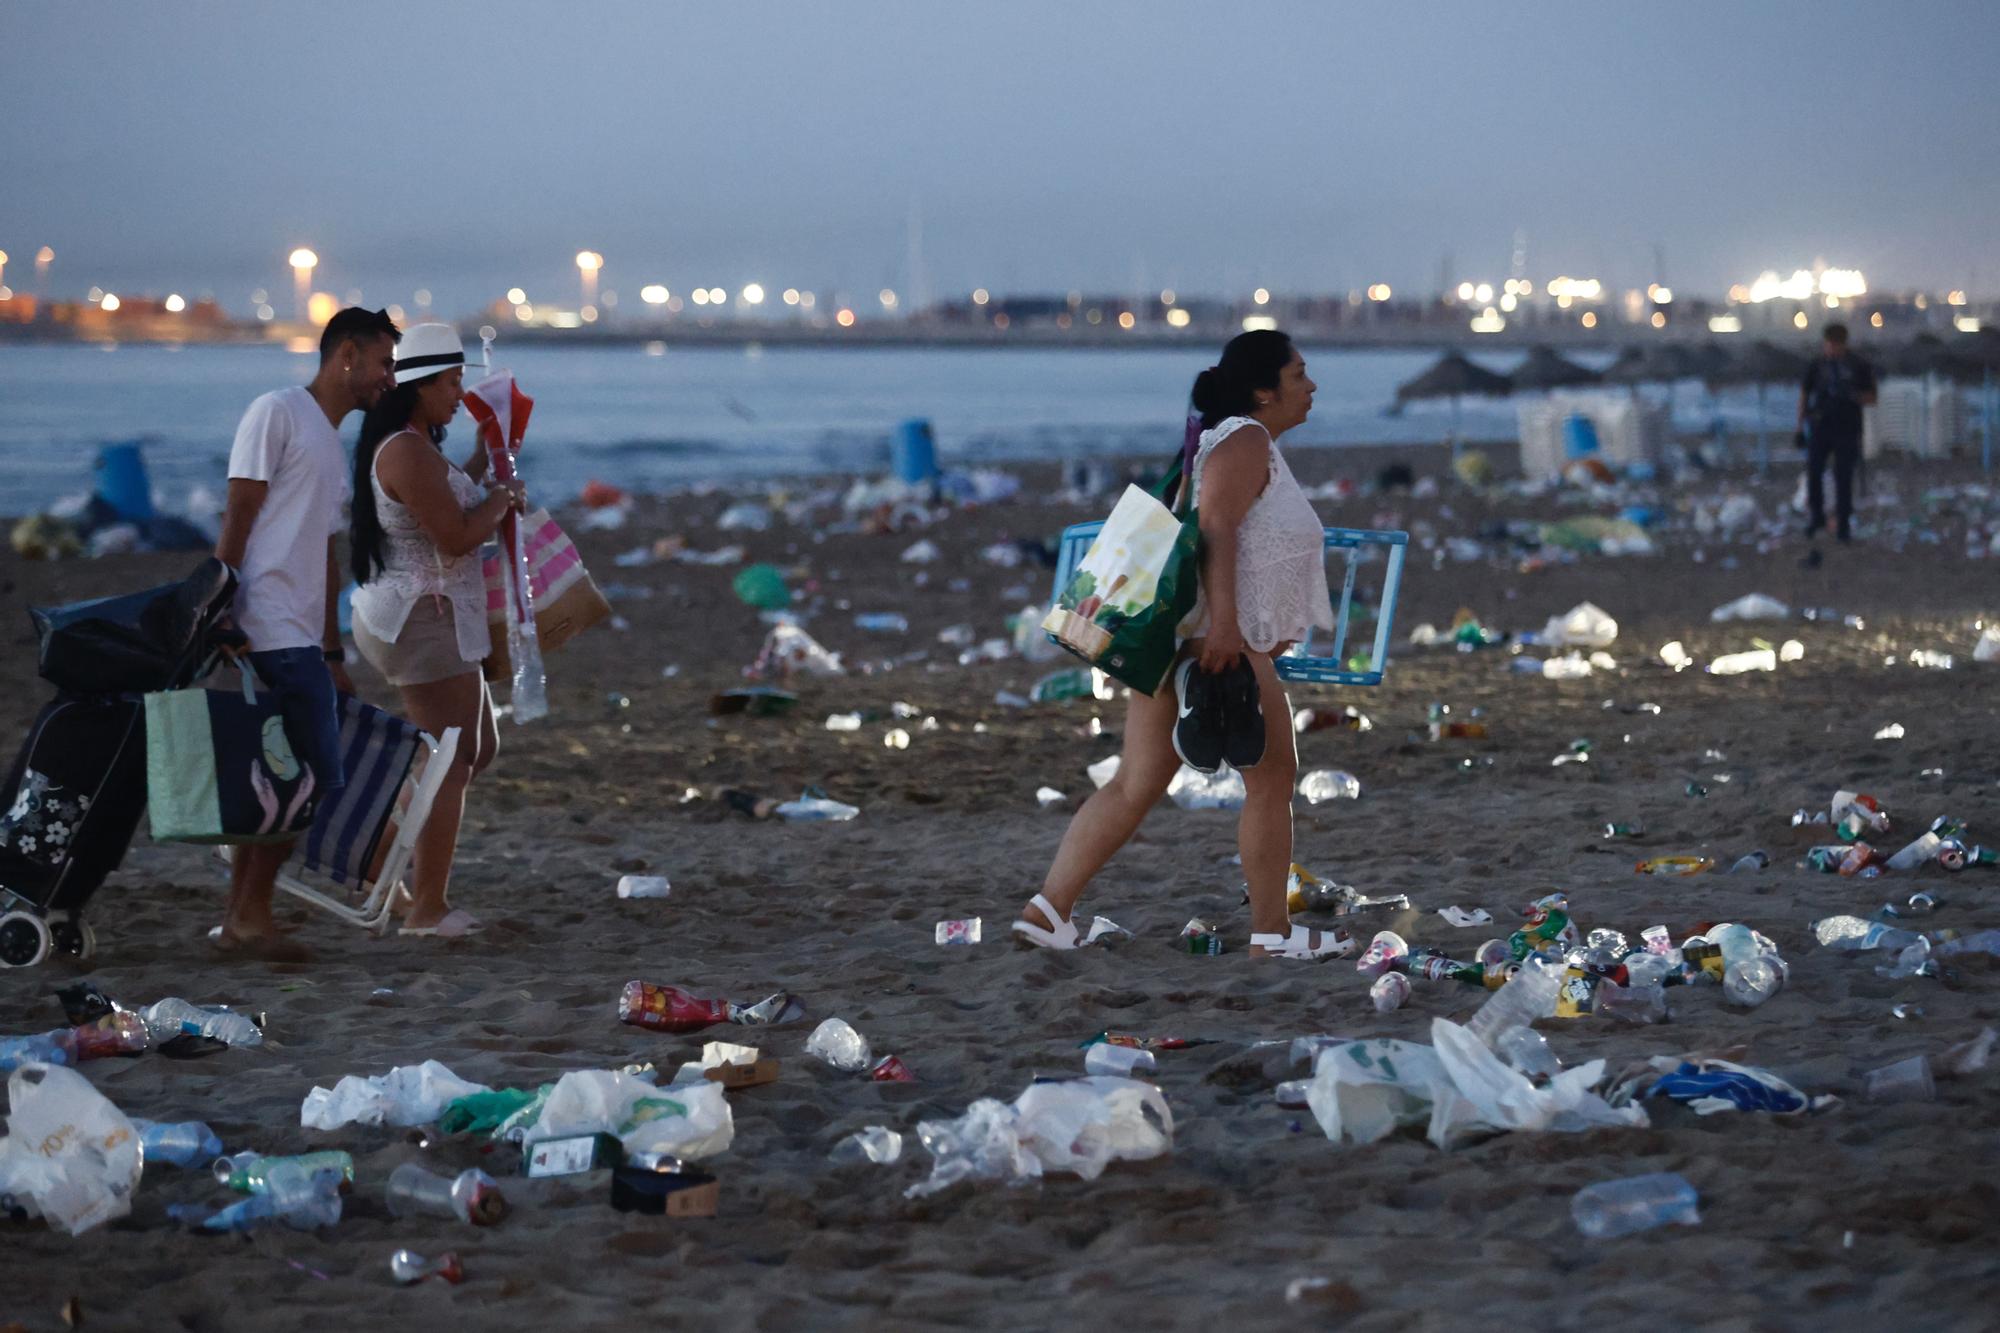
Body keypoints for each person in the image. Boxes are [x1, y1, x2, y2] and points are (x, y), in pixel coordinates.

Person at [1014, 329, 1347, 959]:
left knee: (1136, 783)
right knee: (1272, 781)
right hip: (1220, 643)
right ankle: (1272, 934)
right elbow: (1216, 530)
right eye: (1300, 374)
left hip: (1187, 644)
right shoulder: (1245, 441)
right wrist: (1226, 627)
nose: (1311, 386)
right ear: (1262, 391)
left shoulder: (1234, 443)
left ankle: (1046, 911)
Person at [214, 306, 400, 957]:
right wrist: (221, 603)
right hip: (264, 623)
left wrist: (331, 648)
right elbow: (241, 504)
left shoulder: (328, 437)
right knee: (305, 779)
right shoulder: (279, 411)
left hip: (299, 634)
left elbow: (323, 552)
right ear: (346, 354)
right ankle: (249, 914)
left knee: (280, 779)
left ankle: (243, 914)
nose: (388, 378)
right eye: (383, 363)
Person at [350, 324, 524, 936]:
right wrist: (500, 500)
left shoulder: (418, 444)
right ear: (419, 385)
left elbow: (452, 499)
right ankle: (427, 908)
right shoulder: (402, 450)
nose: (459, 392)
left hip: (441, 616)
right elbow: (454, 534)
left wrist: (487, 456)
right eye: (451, 382)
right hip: (417, 620)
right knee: (448, 760)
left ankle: (381, 853)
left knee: (475, 751)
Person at [1796, 322, 1877, 542]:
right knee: (1814, 474)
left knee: (1844, 478)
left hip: (1847, 429)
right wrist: (1799, 427)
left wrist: (1852, 395)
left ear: (1843, 344)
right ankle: (1816, 518)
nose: (1830, 349)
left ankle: (1843, 525)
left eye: (1834, 345)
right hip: (1820, 427)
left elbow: (1872, 397)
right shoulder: (1817, 365)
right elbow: (1804, 395)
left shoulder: (1858, 365)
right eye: (1828, 345)